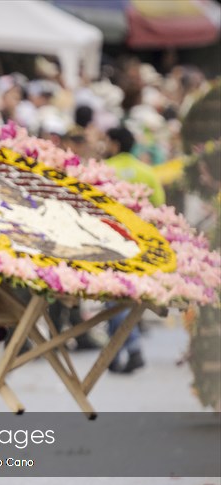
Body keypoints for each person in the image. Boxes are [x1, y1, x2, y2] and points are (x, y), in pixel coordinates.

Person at [103, 126, 164, 373]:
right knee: (125, 296)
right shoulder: (146, 172)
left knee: (113, 298)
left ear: (115, 144)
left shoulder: (104, 170)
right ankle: (115, 355)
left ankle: (132, 347)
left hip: (108, 241)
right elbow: (159, 208)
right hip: (140, 244)